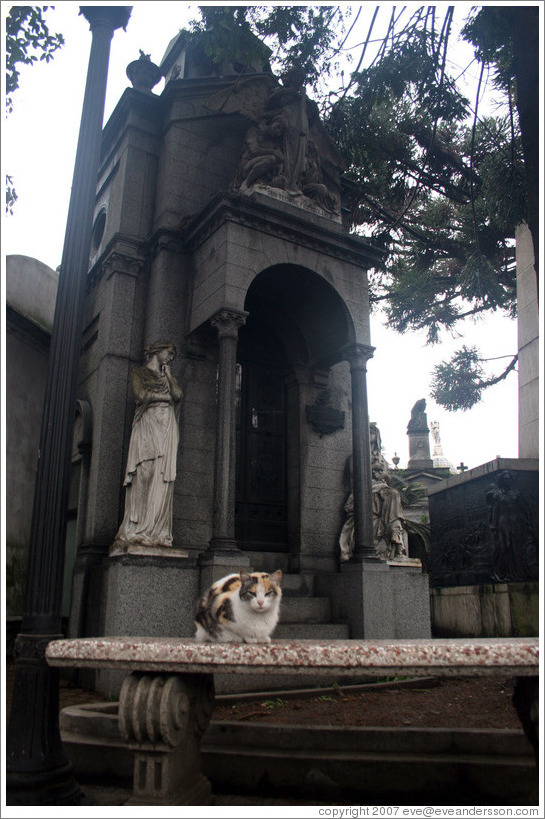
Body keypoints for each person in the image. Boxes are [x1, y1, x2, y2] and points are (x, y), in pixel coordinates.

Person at [111, 340, 182, 553]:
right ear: (157, 351)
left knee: (162, 478)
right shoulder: (139, 373)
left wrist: (168, 375)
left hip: (166, 426)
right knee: (144, 472)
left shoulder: (167, 376)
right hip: (148, 424)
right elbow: (141, 395)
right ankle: (136, 530)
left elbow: (178, 395)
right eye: (169, 353)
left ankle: (156, 532)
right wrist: (164, 397)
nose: (170, 357)